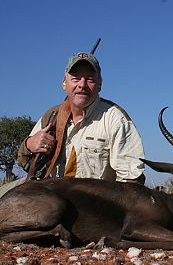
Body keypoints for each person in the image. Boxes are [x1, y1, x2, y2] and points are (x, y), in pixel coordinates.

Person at [0, 51, 145, 197]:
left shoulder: (115, 119)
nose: (82, 85)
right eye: (75, 78)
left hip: (92, 207)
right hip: (47, 196)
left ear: (100, 84)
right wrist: (30, 144)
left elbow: (132, 184)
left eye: (90, 79)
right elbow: (24, 162)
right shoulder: (52, 115)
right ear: (64, 83)